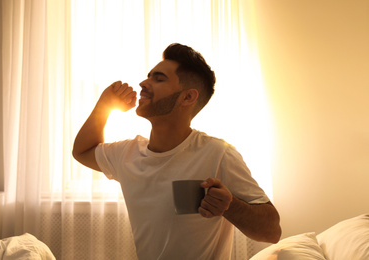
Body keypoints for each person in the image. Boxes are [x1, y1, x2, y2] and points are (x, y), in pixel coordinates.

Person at [73, 43, 281, 259]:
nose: (144, 83)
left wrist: (230, 206)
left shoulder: (218, 154)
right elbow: (82, 150)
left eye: (159, 78)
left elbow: (272, 232)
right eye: (148, 76)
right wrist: (104, 104)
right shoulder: (126, 154)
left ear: (187, 97)